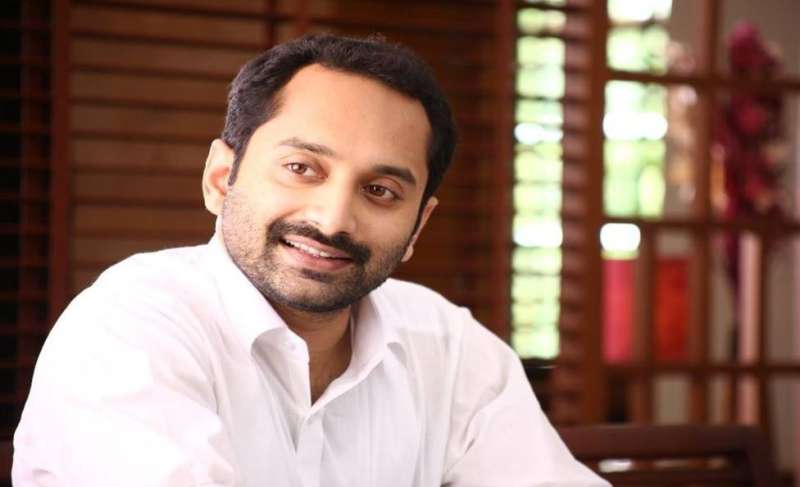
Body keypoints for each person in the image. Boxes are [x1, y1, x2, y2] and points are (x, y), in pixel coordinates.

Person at [12, 34, 607, 487]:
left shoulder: (448, 347)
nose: (333, 219)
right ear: (221, 178)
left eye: (381, 191)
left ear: (418, 225)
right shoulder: (130, 327)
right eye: (301, 168)